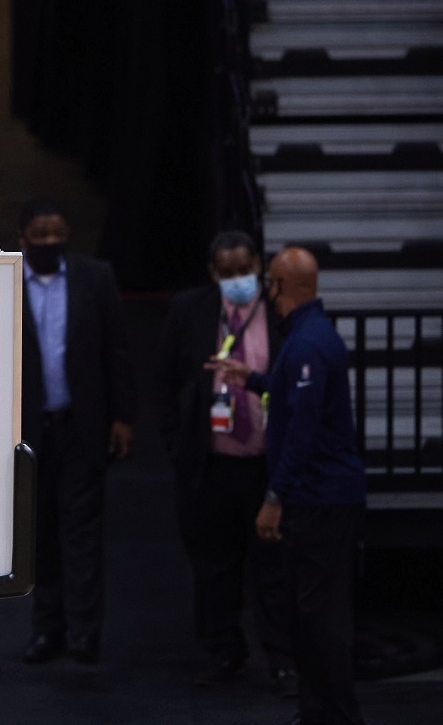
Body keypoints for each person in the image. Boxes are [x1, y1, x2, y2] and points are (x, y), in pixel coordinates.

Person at [209, 246, 366, 725]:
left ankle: (335, 716)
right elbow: (291, 394)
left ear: (280, 287)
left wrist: (274, 497)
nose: (267, 296)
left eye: (271, 286)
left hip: (320, 500)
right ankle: (320, 712)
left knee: (320, 618)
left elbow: (302, 429)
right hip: (321, 496)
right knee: (313, 614)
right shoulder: (310, 338)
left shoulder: (304, 345)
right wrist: (253, 378)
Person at [158, 230, 293, 691]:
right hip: (211, 465)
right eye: (228, 272)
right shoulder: (190, 311)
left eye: (245, 269)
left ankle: (282, 655)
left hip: (265, 462)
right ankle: (223, 652)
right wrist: (178, 445)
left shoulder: (279, 312)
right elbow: (167, 380)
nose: (238, 279)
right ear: (214, 273)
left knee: (273, 566)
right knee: (214, 568)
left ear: (258, 264)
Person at [17, 197, 136, 665]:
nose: (49, 242)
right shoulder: (5, 282)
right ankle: (49, 630)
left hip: (82, 427)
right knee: (40, 537)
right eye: (40, 235)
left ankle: (86, 632)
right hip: (30, 433)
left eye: (57, 235)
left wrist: (122, 417)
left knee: (83, 536)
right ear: (21, 237)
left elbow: (118, 351)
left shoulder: (96, 277)